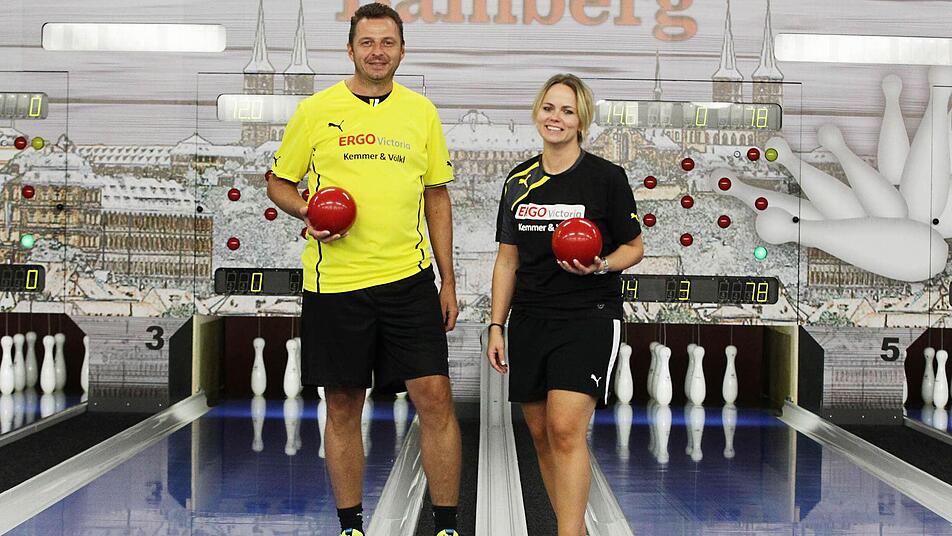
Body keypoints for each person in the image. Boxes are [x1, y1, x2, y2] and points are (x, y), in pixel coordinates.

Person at [267, 4, 462, 536]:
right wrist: (307, 211)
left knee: (435, 398)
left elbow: (437, 196)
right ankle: (350, 524)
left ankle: (447, 524)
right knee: (342, 404)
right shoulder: (316, 110)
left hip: (408, 280)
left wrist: (448, 279)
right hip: (336, 284)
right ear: (350, 49)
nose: (378, 52)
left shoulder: (421, 112)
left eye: (388, 43)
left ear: (402, 51)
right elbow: (279, 181)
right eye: (368, 42)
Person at [486, 74, 644, 536]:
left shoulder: (606, 179)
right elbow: (507, 259)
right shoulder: (519, 181)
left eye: (567, 111)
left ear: (581, 121)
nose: (556, 118)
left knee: (564, 429)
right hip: (530, 318)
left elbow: (634, 248)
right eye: (549, 108)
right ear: (538, 112)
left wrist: (600, 266)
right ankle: (571, 527)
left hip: (588, 316)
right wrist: (496, 325)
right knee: (540, 435)